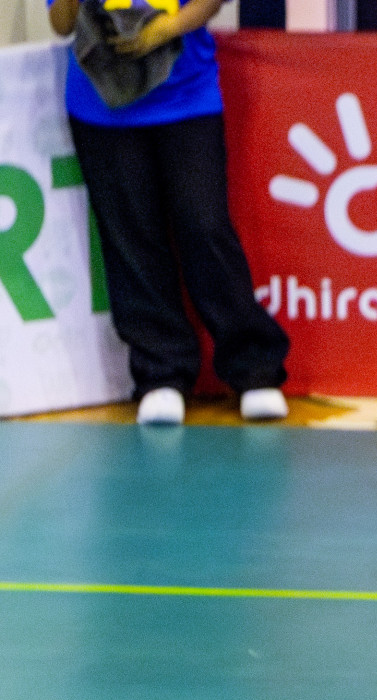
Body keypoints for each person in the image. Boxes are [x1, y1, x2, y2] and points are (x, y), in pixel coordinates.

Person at [47, 0, 290, 425]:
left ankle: (254, 370)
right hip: (102, 107)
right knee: (133, 243)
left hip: (187, 95)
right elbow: (61, 24)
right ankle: (161, 375)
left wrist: (169, 28)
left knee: (205, 227)